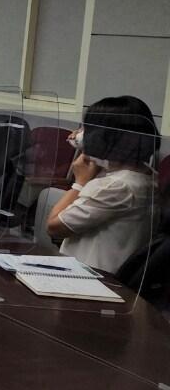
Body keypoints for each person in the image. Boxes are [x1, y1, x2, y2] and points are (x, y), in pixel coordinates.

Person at [47, 95, 160, 275]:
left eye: (89, 129)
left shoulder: (117, 187)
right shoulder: (147, 176)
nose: (81, 134)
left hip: (89, 278)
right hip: (99, 276)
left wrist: (80, 183)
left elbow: (54, 227)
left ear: (105, 137)